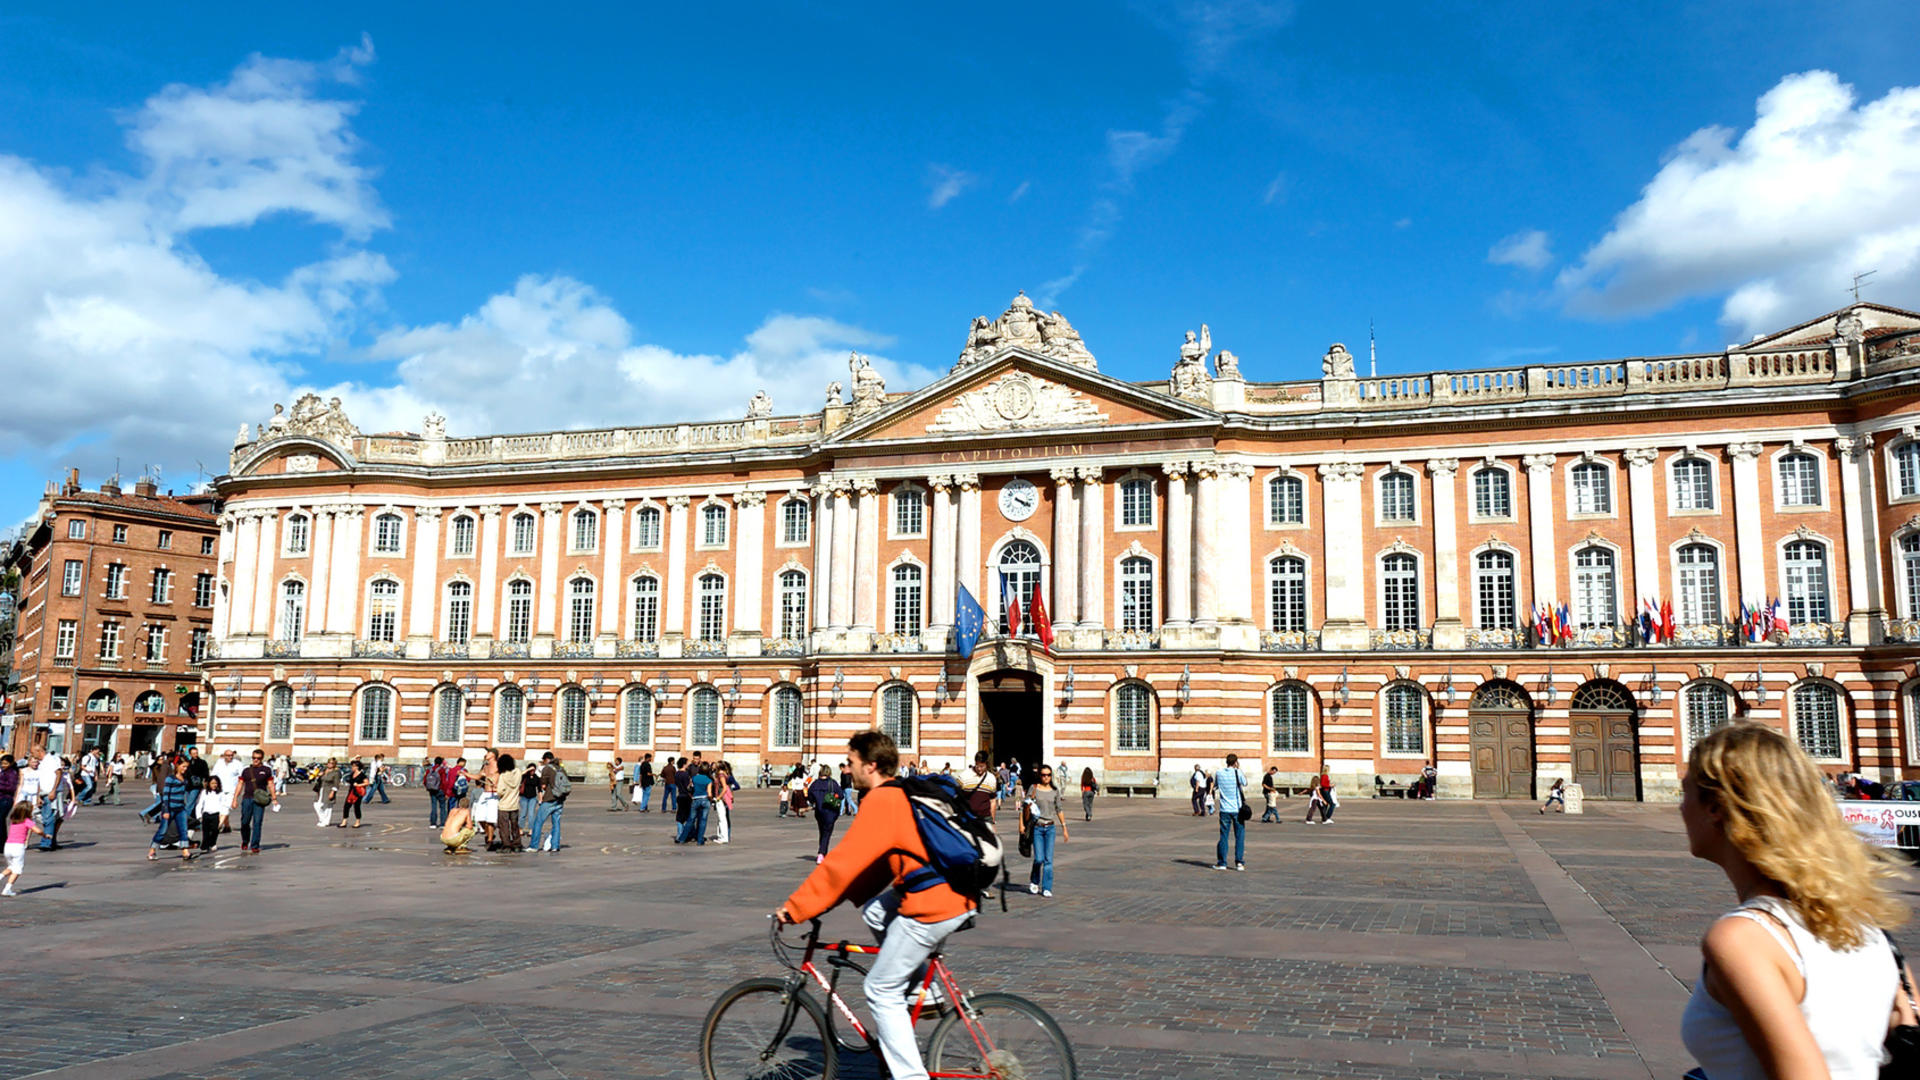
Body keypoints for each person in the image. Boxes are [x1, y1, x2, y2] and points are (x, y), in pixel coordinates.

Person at [1678, 722, 1918, 1079]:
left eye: (1685, 793)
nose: (1680, 808)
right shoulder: (1865, 925)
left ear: (1715, 807)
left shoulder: (1744, 939)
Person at [778, 731, 977, 1080]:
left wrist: (796, 908)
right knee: (874, 908)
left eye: (851, 761)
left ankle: (910, 1076)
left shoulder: (882, 800)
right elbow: (877, 867)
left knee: (880, 989)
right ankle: (922, 989)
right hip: (951, 891)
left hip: (934, 903)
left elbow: (843, 862)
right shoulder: (899, 793)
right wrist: (831, 900)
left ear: (870, 765)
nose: (846, 767)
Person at [1022, 764, 1068, 897]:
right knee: (1038, 859)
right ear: (1040, 776)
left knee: (1048, 860)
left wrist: (1064, 827)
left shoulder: (1055, 790)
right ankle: (1034, 880)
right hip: (1037, 827)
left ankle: (1047, 887)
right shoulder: (1034, 788)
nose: (1046, 777)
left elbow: (1059, 809)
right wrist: (1022, 825)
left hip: (1050, 828)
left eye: (1048, 775)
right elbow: (1025, 806)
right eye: (1043, 775)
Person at [150, 757, 192, 860]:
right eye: (183, 766)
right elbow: (165, 796)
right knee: (163, 830)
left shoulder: (185, 778)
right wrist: (166, 810)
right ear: (177, 766)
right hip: (170, 808)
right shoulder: (170, 779)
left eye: (187, 767)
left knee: (183, 829)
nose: (185, 769)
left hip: (180, 809)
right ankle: (152, 850)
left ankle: (185, 851)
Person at [1213, 753, 1249, 872]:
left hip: (1224, 809)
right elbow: (1245, 783)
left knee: (1223, 836)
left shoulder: (1219, 773)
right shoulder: (1237, 772)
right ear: (1235, 762)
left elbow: (1216, 786)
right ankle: (1239, 862)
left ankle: (1222, 862)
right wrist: (1238, 769)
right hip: (1237, 809)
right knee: (1239, 836)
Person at [3, 801, 46, 896]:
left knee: (11, 867)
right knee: (17, 870)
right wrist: (44, 835)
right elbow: (38, 831)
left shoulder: (13, 819)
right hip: (18, 847)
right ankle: (7, 889)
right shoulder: (27, 821)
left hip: (8, 846)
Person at [237, 749, 275, 854]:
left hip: (259, 800)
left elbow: (271, 784)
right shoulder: (246, 770)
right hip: (247, 798)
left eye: (258, 758)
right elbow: (240, 784)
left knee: (257, 823)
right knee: (244, 822)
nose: (256, 760)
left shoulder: (266, 770)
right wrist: (235, 798)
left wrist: (274, 798)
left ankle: (255, 845)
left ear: (262, 759)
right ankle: (245, 840)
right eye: (254, 758)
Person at [529, 753, 567, 852]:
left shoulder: (547, 769)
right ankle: (555, 846)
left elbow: (543, 785)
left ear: (547, 759)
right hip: (560, 799)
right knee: (556, 823)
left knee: (538, 822)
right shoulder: (561, 769)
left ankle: (534, 846)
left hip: (550, 799)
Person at [808, 766, 843, 863]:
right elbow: (841, 795)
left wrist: (815, 801)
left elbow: (810, 795)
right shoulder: (832, 783)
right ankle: (821, 853)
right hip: (830, 811)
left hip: (819, 811)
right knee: (827, 833)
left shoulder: (815, 783)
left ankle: (823, 853)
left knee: (822, 832)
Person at [193, 776, 231, 857]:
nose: (214, 785)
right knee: (205, 831)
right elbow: (200, 804)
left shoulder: (221, 793)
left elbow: (224, 805)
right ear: (209, 784)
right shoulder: (204, 792)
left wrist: (223, 815)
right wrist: (199, 815)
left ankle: (212, 843)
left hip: (216, 814)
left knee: (215, 830)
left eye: (216, 783)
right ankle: (205, 845)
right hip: (206, 814)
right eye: (212, 783)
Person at [493, 754, 521, 851]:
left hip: (504, 806)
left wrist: (497, 789)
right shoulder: (518, 772)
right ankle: (517, 844)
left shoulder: (503, 776)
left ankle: (507, 845)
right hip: (515, 804)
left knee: (504, 827)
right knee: (515, 826)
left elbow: (500, 791)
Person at [213, 749, 244, 834]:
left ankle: (217, 826)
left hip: (231, 790)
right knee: (221, 808)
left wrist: (239, 791)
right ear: (224, 756)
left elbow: (242, 778)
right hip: (219, 790)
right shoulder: (219, 763)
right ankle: (227, 826)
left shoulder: (237, 764)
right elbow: (213, 775)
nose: (230, 757)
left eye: (231, 755)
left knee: (226, 808)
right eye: (228, 755)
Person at [336, 758, 369, 829]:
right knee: (346, 806)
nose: (352, 767)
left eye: (353, 766)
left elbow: (367, 783)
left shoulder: (362, 775)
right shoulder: (352, 774)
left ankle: (357, 822)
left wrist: (358, 785)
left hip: (358, 793)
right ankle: (344, 822)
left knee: (356, 807)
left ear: (357, 767)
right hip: (351, 792)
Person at [713, 762, 736, 844]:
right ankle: (721, 836)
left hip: (721, 799)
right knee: (721, 818)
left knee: (722, 818)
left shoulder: (721, 775)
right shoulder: (723, 774)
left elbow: (725, 787)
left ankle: (723, 837)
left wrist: (718, 797)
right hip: (722, 798)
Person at [424, 757, 447, 827]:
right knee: (442, 807)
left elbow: (425, 780)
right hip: (440, 789)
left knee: (434, 806)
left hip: (432, 790)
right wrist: (445, 791)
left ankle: (433, 823)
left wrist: (428, 787)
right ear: (441, 763)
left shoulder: (430, 769)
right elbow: (443, 781)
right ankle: (442, 823)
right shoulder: (442, 770)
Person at [0, 754, 18, 825]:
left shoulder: (12, 774)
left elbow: (12, 788)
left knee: (1, 819)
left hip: (6, 800)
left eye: (6, 763)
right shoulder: (4, 772)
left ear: (11, 763)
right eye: (2, 763)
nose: (3, 765)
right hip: (2, 798)